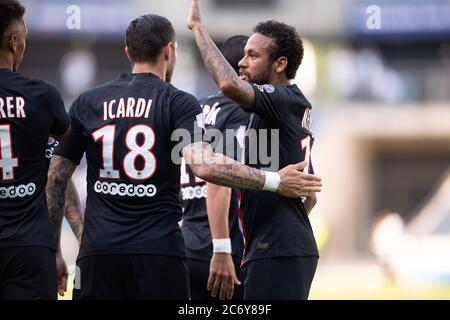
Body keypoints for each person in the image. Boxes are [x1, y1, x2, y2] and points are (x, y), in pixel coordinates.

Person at [47, 14, 322, 300]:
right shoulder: (179, 102)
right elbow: (208, 167)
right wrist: (275, 184)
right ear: (170, 50)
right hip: (163, 252)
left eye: (251, 56)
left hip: (100, 251)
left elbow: (55, 176)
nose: (241, 63)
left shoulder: (88, 101)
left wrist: (71, 242)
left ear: (128, 52)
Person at [188, 0, 320, 299]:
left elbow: (227, 84)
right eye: (243, 54)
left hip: (276, 249)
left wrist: (198, 28)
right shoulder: (276, 111)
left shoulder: (282, 99)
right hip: (276, 246)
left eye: (252, 56)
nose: (241, 63)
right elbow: (308, 194)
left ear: (280, 64)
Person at [0, 0, 71, 300]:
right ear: (14, 41)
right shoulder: (42, 95)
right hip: (29, 244)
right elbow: (62, 136)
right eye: (26, 38)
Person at [181, 35, 250, 300]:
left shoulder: (193, 109)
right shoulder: (240, 110)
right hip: (224, 248)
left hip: (187, 243)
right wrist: (221, 248)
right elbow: (218, 178)